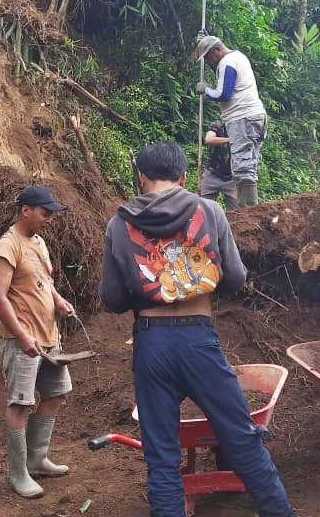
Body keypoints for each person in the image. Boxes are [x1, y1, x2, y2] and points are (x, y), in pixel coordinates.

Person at [100, 141, 294, 517]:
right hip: (198, 338)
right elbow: (236, 277)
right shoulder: (210, 209)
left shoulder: (119, 222)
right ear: (184, 176)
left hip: (152, 343)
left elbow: (111, 296)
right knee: (243, 439)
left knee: (162, 457)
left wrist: (148, 293)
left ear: (141, 176)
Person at [0, 185, 75, 498]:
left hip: (49, 337)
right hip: (20, 339)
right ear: (26, 210)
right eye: (45, 212)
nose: (49, 218)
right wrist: (22, 335)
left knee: (56, 395)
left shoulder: (38, 241)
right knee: (20, 404)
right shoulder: (7, 245)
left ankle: (37, 458)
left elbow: (44, 280)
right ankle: (18, 473)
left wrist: (59, 300)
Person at [193, 33, 268, 207]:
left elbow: (223, 93)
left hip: (242, 118)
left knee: (242, 167)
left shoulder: (227, 62)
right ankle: (248, 210)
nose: (211, 61)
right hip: (256, 116)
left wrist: (205, 90)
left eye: (210, 56)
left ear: (217, 50)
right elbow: (223, 79)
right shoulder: (237, 57)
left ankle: (249, 211)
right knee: (249, 163)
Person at [199, 120, 239, 205]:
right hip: (213, 172)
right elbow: (209, 139)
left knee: (237, 210)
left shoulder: (241, 127)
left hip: (233, 176)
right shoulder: (218, 125)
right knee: (203, 206)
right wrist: (230, 140)